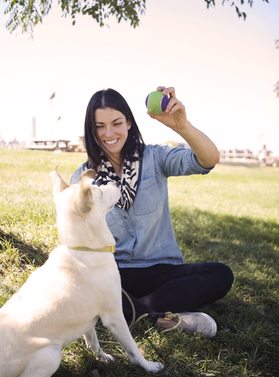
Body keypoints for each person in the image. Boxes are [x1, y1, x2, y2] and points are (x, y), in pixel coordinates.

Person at [70, 86, 234, 337]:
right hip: (114, 273)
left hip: (162, 269)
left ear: (129, 123)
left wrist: (182, 126)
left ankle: (135, 310)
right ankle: (158, 319)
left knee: (220, 274)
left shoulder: (155, 157)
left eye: (116, 123)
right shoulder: (83, 179)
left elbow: (208, 159)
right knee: (84, 284)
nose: (109, 133)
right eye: (100, 126)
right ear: (91, 130)